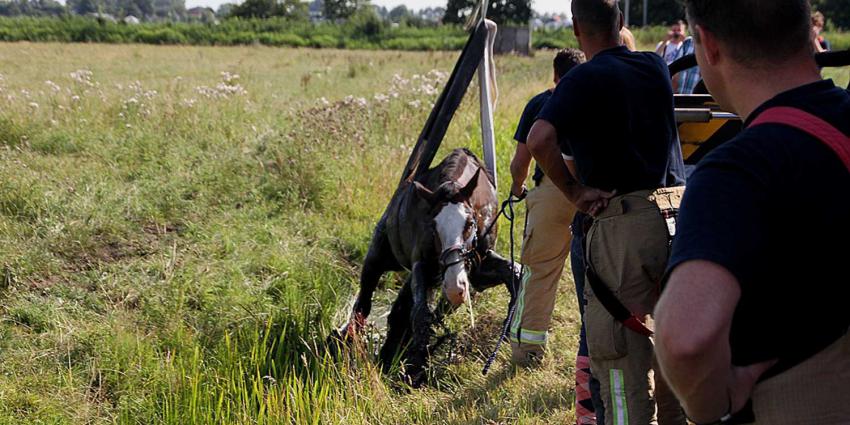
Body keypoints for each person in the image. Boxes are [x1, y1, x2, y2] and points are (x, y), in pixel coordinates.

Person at [654, 1, 850, 424]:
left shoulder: (737, 171)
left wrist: (713, 406)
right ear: (805, 29)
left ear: (708, 44)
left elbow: (686, 339)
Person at [526, 0, 687, 424]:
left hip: (622, 226)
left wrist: (575, 192)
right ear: (621, 22)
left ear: (577, 29)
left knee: (619, 361)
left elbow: (540, 138)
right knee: (671, 349)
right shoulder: (655, 67)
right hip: (675, 217)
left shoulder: (580, 79)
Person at [507, 48, 603, 425]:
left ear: (554, 74)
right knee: (597, 278)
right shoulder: (598, 99)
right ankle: (596, 353)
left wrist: (517, 189)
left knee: (539, 271)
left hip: (550, 191)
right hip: (593, 193)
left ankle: (529, 348)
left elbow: (522, 159)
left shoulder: (541, 103)